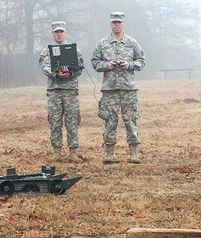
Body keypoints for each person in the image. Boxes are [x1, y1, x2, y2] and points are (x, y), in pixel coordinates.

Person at [91, 12, 146, 164]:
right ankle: (110, 153)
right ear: (110, 24)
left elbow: (142, 61)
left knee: (131, 120)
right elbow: (94, 62)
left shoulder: (132, 42)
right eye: (114, 22)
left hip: (128, 89)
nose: (116, 24)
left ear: (123, 24)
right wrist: (107, 65)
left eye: (119, 22)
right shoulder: (102, 43)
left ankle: (133, 153)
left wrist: (130, 65)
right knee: (110, 120)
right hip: (110, 89)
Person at [39, 21, 83, 163]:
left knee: (72, 120)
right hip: (55, 90)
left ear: (65, 33)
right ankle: (57, 152)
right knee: (55, 120)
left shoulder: (74, 50)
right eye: (56, 32)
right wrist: (57, 73)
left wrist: (70, 73)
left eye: (61, 32)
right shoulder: (47, 51)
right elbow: (44, 66)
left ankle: (73, 152)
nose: (59, 34)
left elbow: (80, 67)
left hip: (70, 90)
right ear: (52, 34)